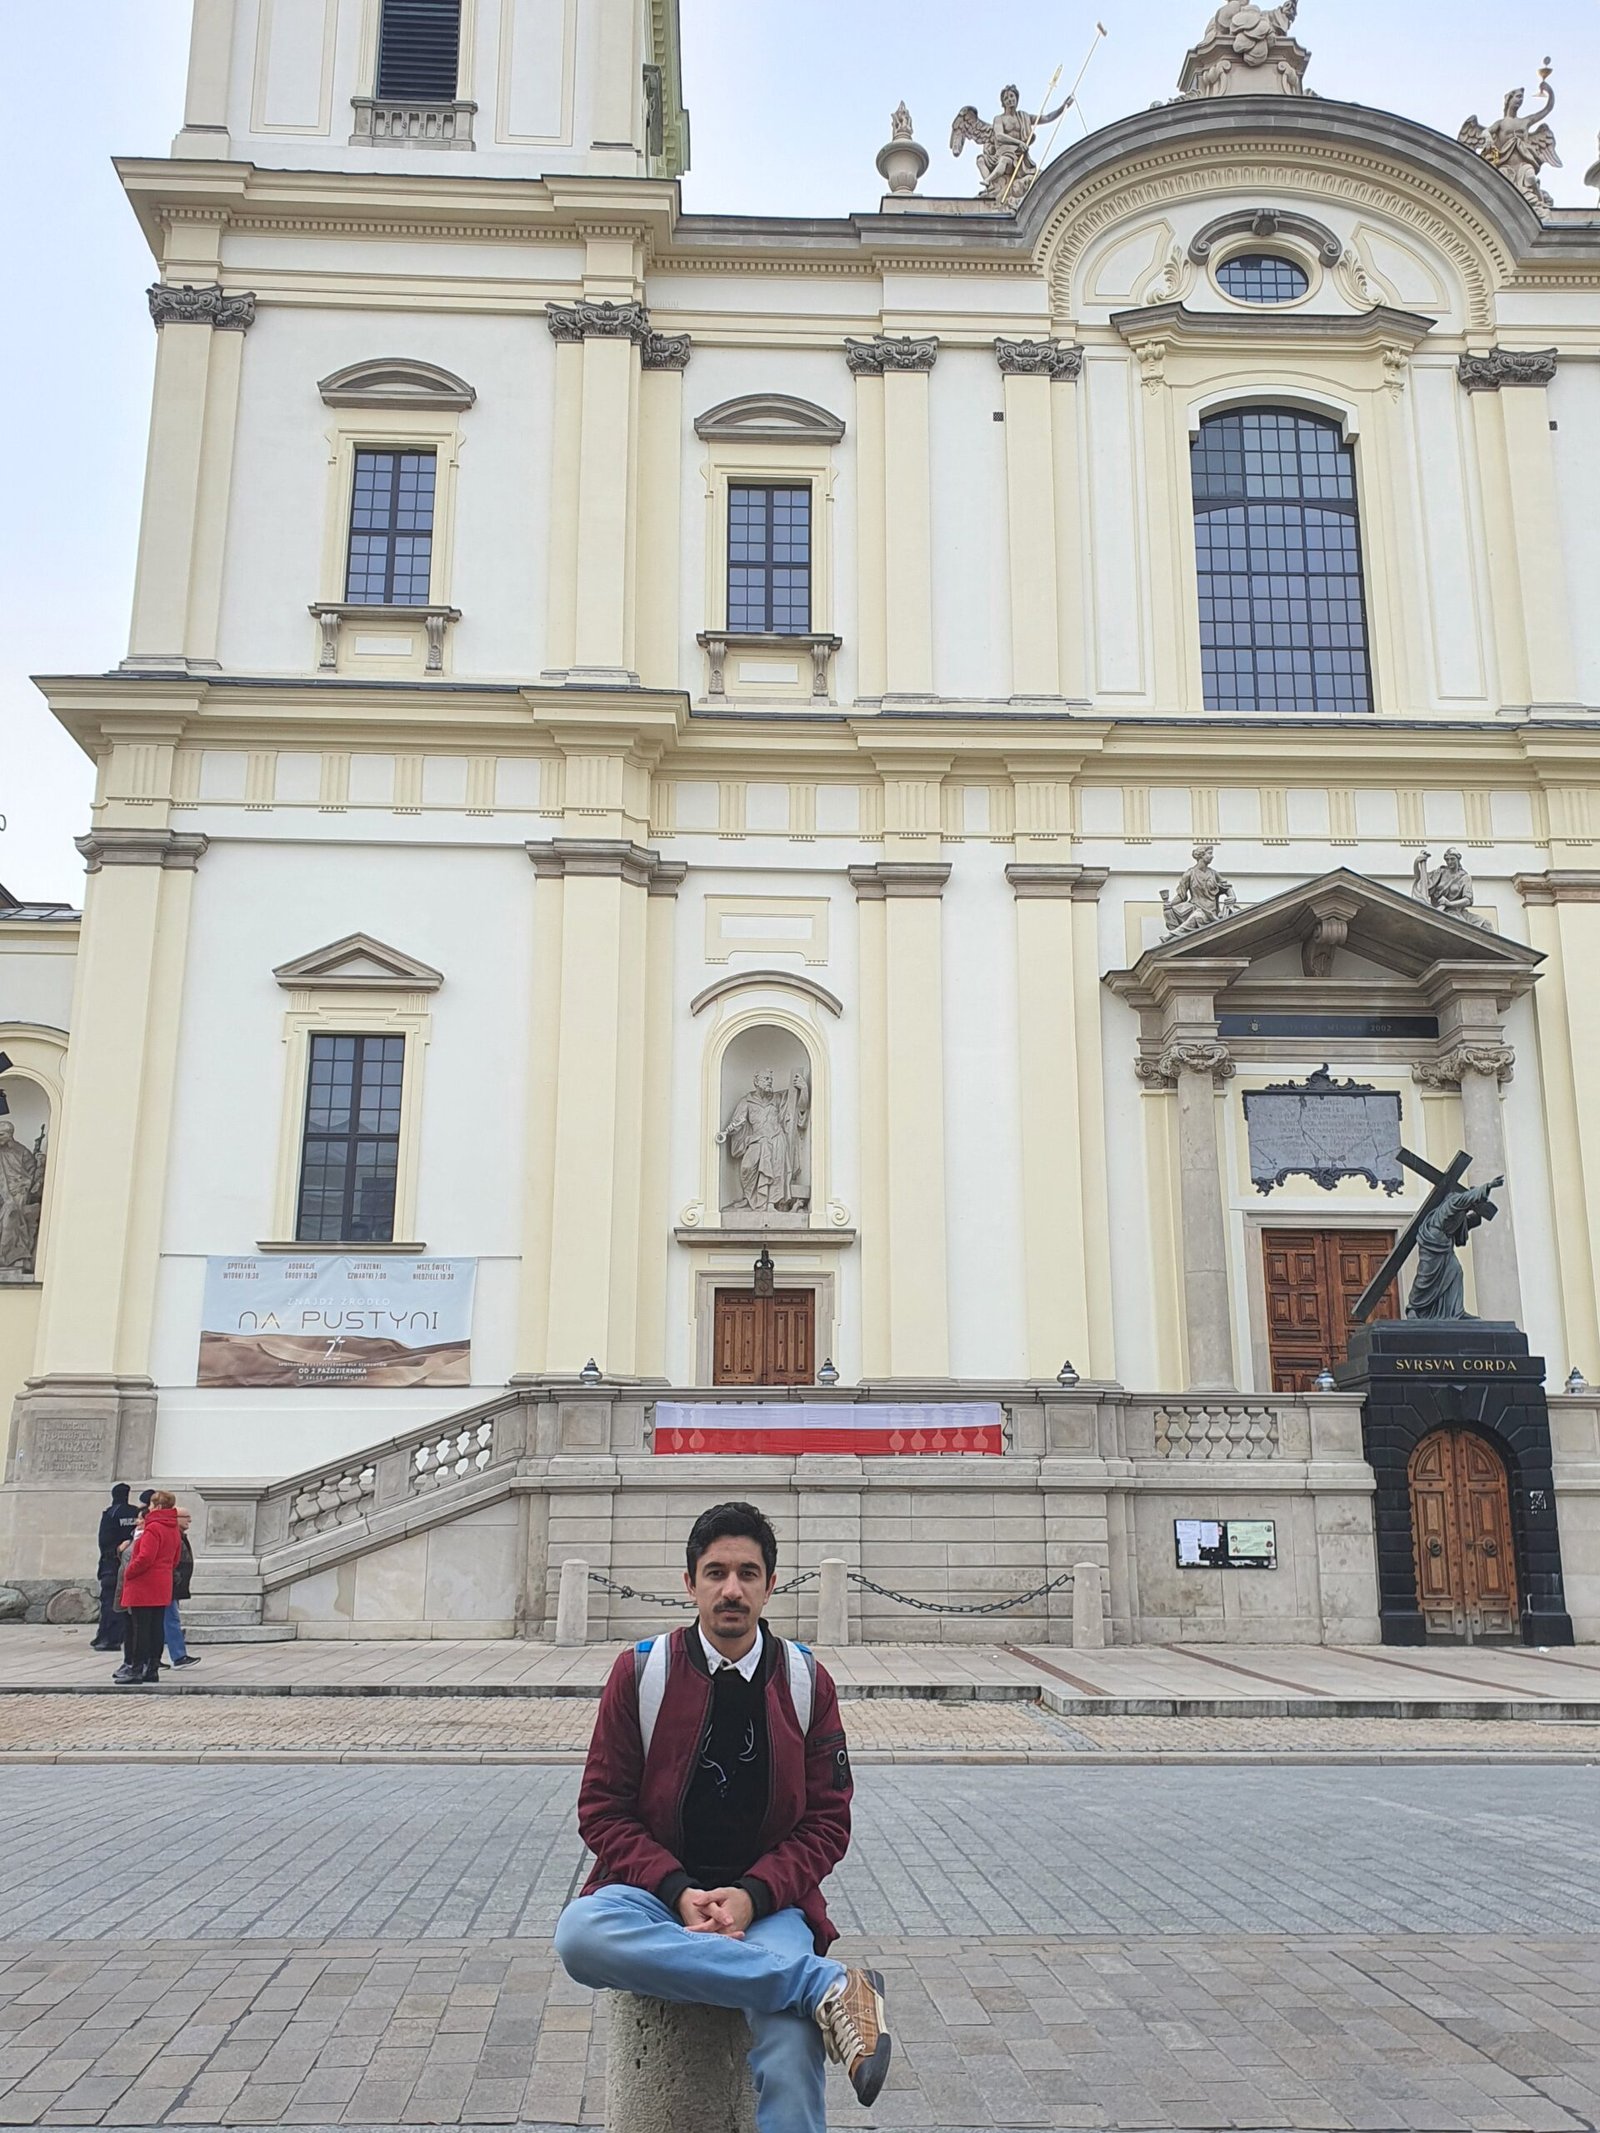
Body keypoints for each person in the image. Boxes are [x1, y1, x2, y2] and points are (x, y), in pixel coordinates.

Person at [554, 1502, 890, 2131]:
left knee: (792, 2050)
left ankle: (805, 1988)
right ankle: (823, 1985)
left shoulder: (805, 1681)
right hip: (651, 1896)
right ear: (690, 1584)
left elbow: (827, 1823)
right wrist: (680, 1893)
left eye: (747, 1573)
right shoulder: (641, 1673)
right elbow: (601, 1811)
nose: (731, 1590)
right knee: (579, 1936)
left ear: (770, 1584)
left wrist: (751, 1896)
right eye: (715, 1573)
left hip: (769, 1904)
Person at [114, 1491, 182, 1685]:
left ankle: (136, 1669)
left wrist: (129, 1571)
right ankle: (152, 1667)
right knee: (155, 1627)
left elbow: (145, 1557)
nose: (149, 1509)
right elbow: (175, 1558)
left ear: (158, 1507)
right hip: (162, 1583)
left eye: (152, 1505)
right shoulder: (173, 1528)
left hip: (144, 1583)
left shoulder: (154, 1528)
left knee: (140, 1628)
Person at [90, 1483, 140, 1651]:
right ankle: (108, 1636)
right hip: (131, 1563)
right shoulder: (136, 1513)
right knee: (123, 1604)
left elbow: (104, 1542)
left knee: (109, 1602)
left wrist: (114, 1551)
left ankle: (108, 1638)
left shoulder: (111, 1513)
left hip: (112, 1564)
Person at [163, 1509, 201, 1669]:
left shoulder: (180, 1536)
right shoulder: (173, 1536)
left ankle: (155, 1659)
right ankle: (178, 1656)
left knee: (167, 1621)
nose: (190, 1520)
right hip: (169, 1585)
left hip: (174, 1585)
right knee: (170, 1620)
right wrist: (175, 1579)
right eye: (186, 1517)